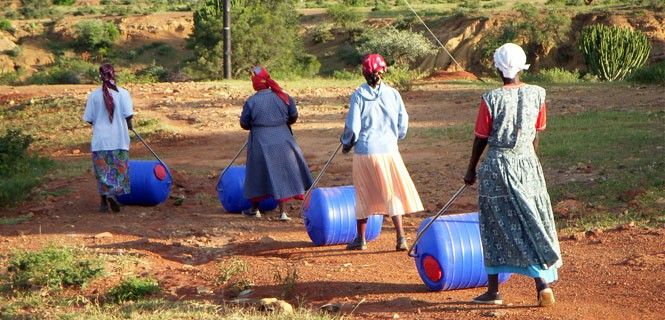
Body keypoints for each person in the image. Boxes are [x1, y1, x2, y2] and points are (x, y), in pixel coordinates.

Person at [463, 43, 562, 307]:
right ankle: (543, 284)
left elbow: (480, 138)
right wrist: (533, 165)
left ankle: (493, 291)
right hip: (528, 165)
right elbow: (536, 134)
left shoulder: (490, 98)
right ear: (522, 66)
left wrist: (471, 170)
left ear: (498, 66)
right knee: (531, 221)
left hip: (498, 168)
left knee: (494, 226)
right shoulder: (539, 94)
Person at [340, 54, 424, 251]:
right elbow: (403, 122)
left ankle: (361, 240)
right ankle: (401, 238)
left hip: (365, 152)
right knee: (392, 192)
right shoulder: (393, 94)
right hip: (389, 151)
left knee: (363, 193)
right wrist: (395, 138)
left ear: (363, 72)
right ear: (384, 71)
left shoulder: (358, 95)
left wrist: (346, 143)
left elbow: (353, 127)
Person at [240, 66, 313, 221]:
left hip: (260, 140)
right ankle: (283, 213)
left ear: (255, 84)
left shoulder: (251, 101)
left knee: (257, 173)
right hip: (284, 139)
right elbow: (293, 116)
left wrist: (257, 124)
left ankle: (254, 209)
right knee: (282, 173)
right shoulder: (283, 97)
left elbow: (244, 123)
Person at [83, 63, 134, 213]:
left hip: (101, 140)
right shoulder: (123, 94)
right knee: (119, 171)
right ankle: (113, 194)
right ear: (114, 75)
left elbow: (90, 119)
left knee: (103, 172)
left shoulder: (94, 95)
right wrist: (129, 125)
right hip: (119, 139)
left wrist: (100, 123)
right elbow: (128, 118)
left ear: (100, 76)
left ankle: (104, 203)